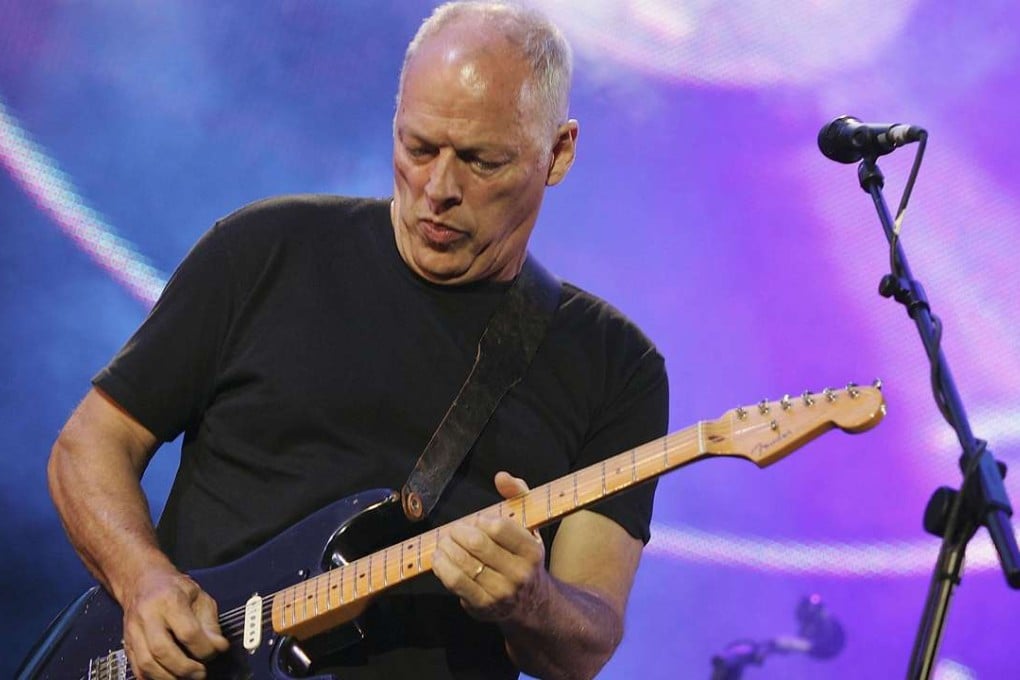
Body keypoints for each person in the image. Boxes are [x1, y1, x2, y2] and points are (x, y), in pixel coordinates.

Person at [47, 2, 668, 679]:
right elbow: (89, 447)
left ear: (559, 153)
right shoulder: (265, 250)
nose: (438, 189)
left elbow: (587, 643)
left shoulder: (616, 365)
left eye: (482, 162)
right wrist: (143, 583)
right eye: (418, 147)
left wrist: (534, 602)